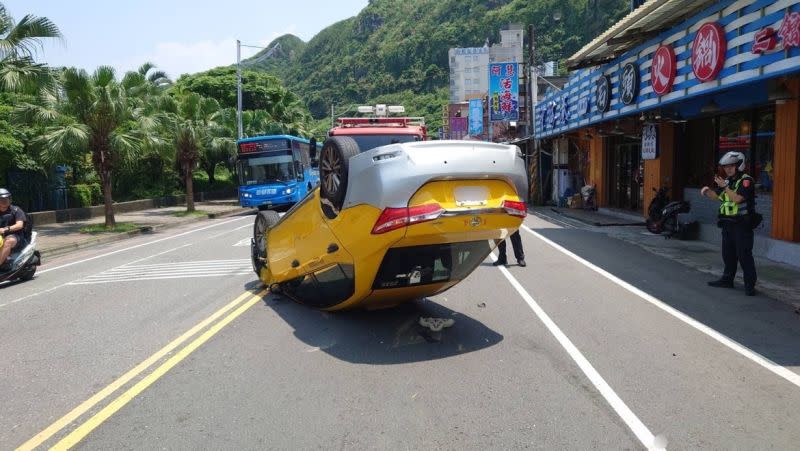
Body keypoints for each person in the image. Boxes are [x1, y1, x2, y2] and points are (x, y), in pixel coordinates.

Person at [700, 151, 757, 296]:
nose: (728, 169)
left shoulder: (747, 181)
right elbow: (717, 196)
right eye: (726, 167)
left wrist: (725, 187)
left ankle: (750, 286)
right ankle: (727, 279)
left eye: (731, 166)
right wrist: (706, 191)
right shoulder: (728, 181)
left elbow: (738, 199)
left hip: (742, 224)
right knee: (728, 254)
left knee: (744, 255)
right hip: (728, 224)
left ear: (740, 165)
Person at [0, 188, 27, 271]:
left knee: (8, 241)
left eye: (6, 198)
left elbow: (19, 225)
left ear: (10, 199)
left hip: (17, 237)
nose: (4, 200)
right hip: (1, 237)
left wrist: (6, 229)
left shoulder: (16, 210)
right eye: (1, 199)